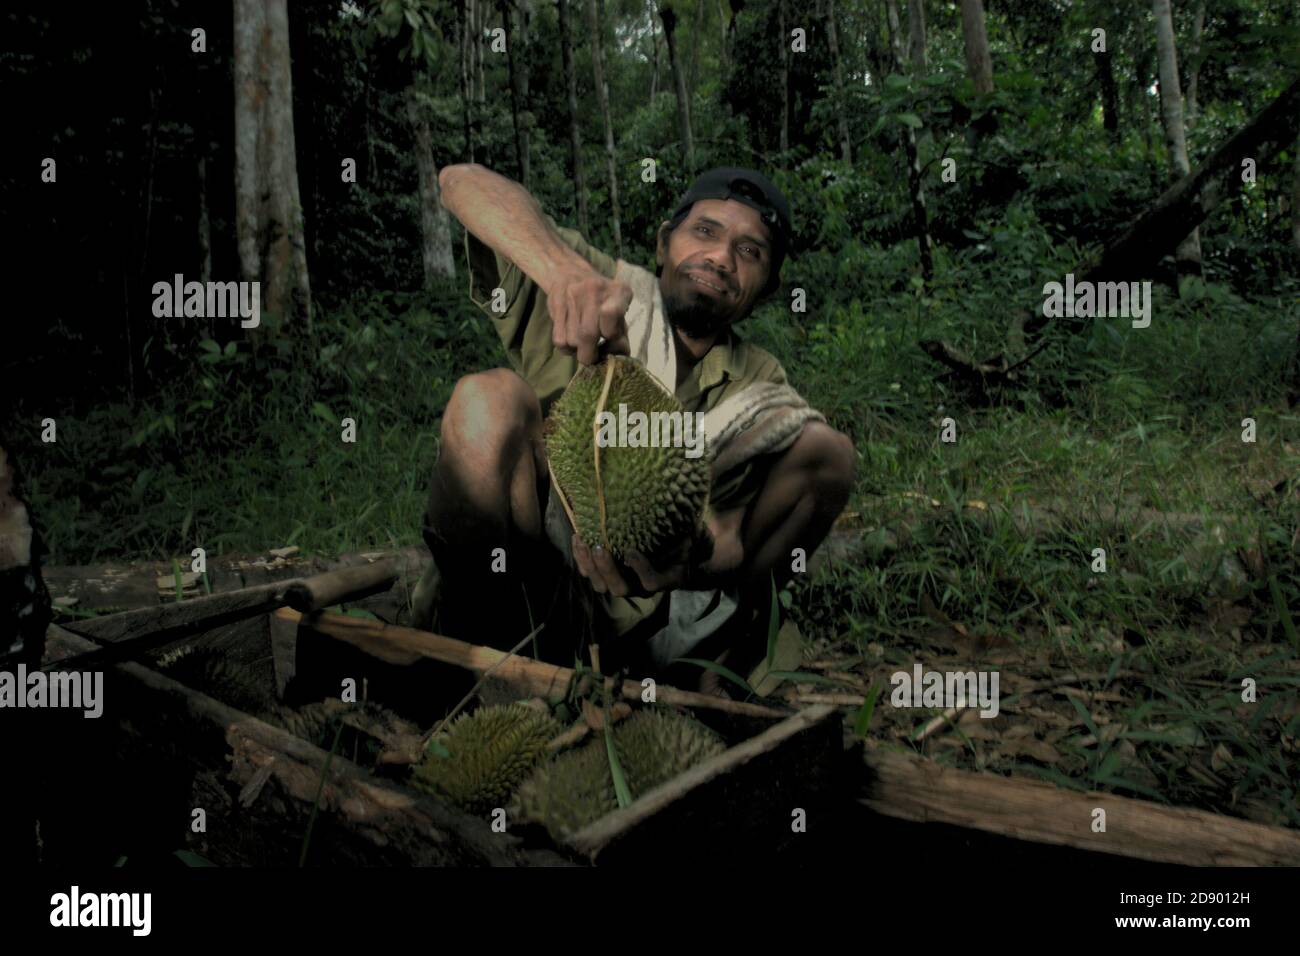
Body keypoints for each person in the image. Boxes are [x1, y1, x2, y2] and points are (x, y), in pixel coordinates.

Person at [416, 164, 853, 695]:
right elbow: (460, 182)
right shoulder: (600, 284)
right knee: (487, 400)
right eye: (705, 232)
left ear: (766, 288)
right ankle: (475, 667)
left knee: (832, 451)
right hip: (537, 586)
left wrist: (689, 558)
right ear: (664, 243)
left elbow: (744, 532)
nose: (720, 258)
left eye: (750, 251)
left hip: (656, 626)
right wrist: (561, 272)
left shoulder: (761, 386)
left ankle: (647, 687)